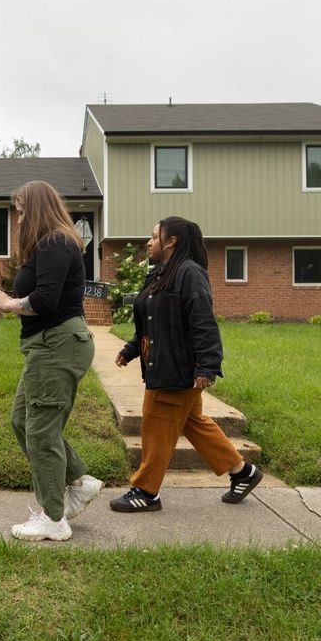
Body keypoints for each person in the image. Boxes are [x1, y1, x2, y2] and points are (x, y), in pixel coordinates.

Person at [110, 216, 264, 512]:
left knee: (156, 423)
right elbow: (151, 322)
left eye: (154, 237)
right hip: (162, 363)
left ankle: (146, 491)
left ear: (171, 242)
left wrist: (207, 366)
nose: (149, 242)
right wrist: (132, 348)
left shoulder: (190, 274)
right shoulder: (158, 274)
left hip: (176, 368)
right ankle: (242, 472)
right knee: (192, 422)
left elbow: (203, 321)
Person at [0, 180, 102, 541]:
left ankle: (53, 519)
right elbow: (36, 295)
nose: (18, 219)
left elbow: (46, 300)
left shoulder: (55, 241)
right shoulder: (48, 245)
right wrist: (7, 302)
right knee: (22, 420)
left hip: (58, 344)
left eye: (21, 210)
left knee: (39, 430)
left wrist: (10, 304)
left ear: (35, 209)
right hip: (47, 344)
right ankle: (79, 484)